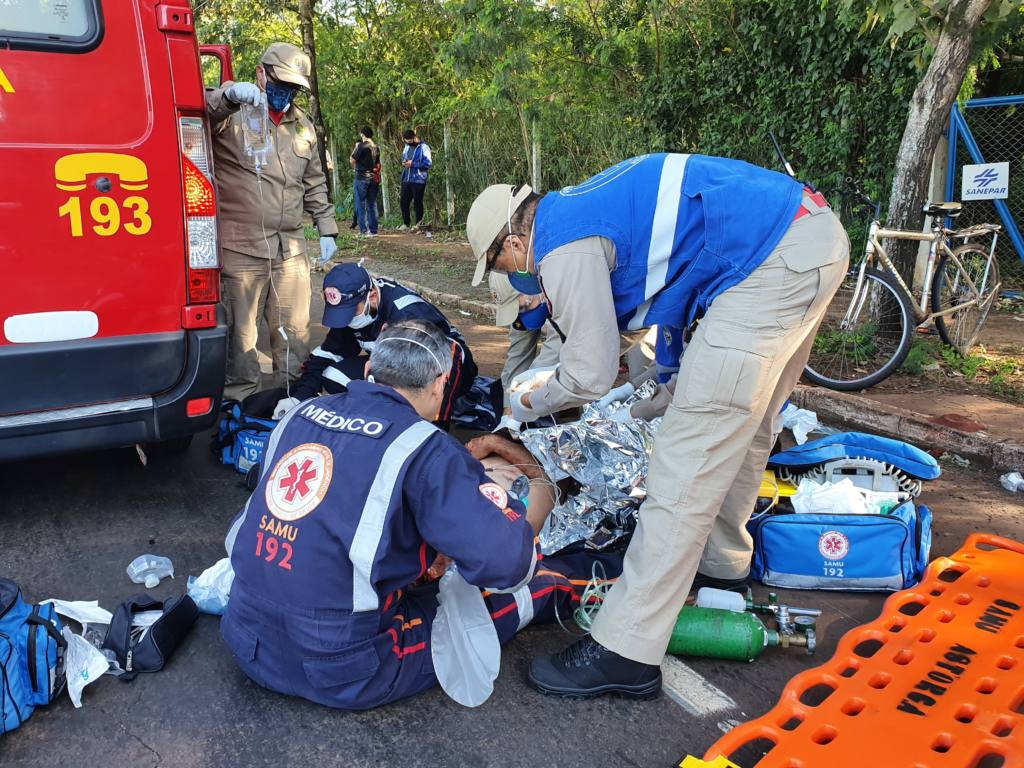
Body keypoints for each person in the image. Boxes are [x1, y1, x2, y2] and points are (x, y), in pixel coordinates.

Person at [466, 153, 850, 699]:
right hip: (803, 235)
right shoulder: (586, 209)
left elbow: (589, 373)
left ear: (512, 243)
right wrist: (665, 388)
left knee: (685, 455)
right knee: (748, 421)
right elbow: (676, 295)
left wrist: (527, 405)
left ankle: (625, 647)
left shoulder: (559, 243)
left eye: (504, 270)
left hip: (772, 260)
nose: (515, 278)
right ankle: (721, 564)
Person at [221, 320, 621, 710]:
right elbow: (508, 567)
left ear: (368, 369)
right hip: (343, 669)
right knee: (510, 594)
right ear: (439, 383)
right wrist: (530, 489)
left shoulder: (298, 417)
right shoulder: (425, 447)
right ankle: (619, 580)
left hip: (246, 640)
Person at [206, 43, 338, 401]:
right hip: (241, 248)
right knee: (242, 340)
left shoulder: (302, 126)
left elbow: (313, 182)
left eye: (293, 89)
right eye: (281, 84)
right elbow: (202, 110)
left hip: (291, 248)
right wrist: (230, 96)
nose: (286, 94)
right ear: (262, 74)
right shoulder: (233, 114)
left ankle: (289, 404)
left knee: (294, 335)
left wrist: (326, 227)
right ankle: (241, 407)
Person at [275, 263, 477, 430]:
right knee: (332, 375)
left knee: (419, 416)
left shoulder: (407, 315)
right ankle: (380, 422)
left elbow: (452, 356)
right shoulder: (354, 310)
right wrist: (299, 398)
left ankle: (419, 428)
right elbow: (329, 353)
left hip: (446, 367)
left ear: (371, 295)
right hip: (394, 366)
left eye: (351, 312)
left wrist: (436, 424)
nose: (347, 320)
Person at [488, 273, 561, 411]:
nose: (519, 315)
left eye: (521, 308)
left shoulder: (565, 286)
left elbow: (555, 351)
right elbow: (518, 355)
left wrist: (525, 391)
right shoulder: (518, 291)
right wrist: (509, 407)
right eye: (514, 310)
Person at [398, 129, 431, 230]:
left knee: (417, 202)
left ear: (414, 137)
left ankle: (418, 224)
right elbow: (404, 158)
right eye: (406, 141)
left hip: (419, 179)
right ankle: (406, 223)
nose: (408, 143)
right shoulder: (406, 147)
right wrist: (404, 163)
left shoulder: (424, 147)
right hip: (406, 178)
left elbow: (428, 164)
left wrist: (413, 164)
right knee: (403, 202)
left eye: (410, 141)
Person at [350, 127, 380, 237]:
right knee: (372, 204)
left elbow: (352, 159)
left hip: (361, 177)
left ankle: (363, 230)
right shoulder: (376, 147)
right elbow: (377, 164)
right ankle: (373, 231)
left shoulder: (361, 146)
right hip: (373, 177)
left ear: (362, 134)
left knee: (360, 204)